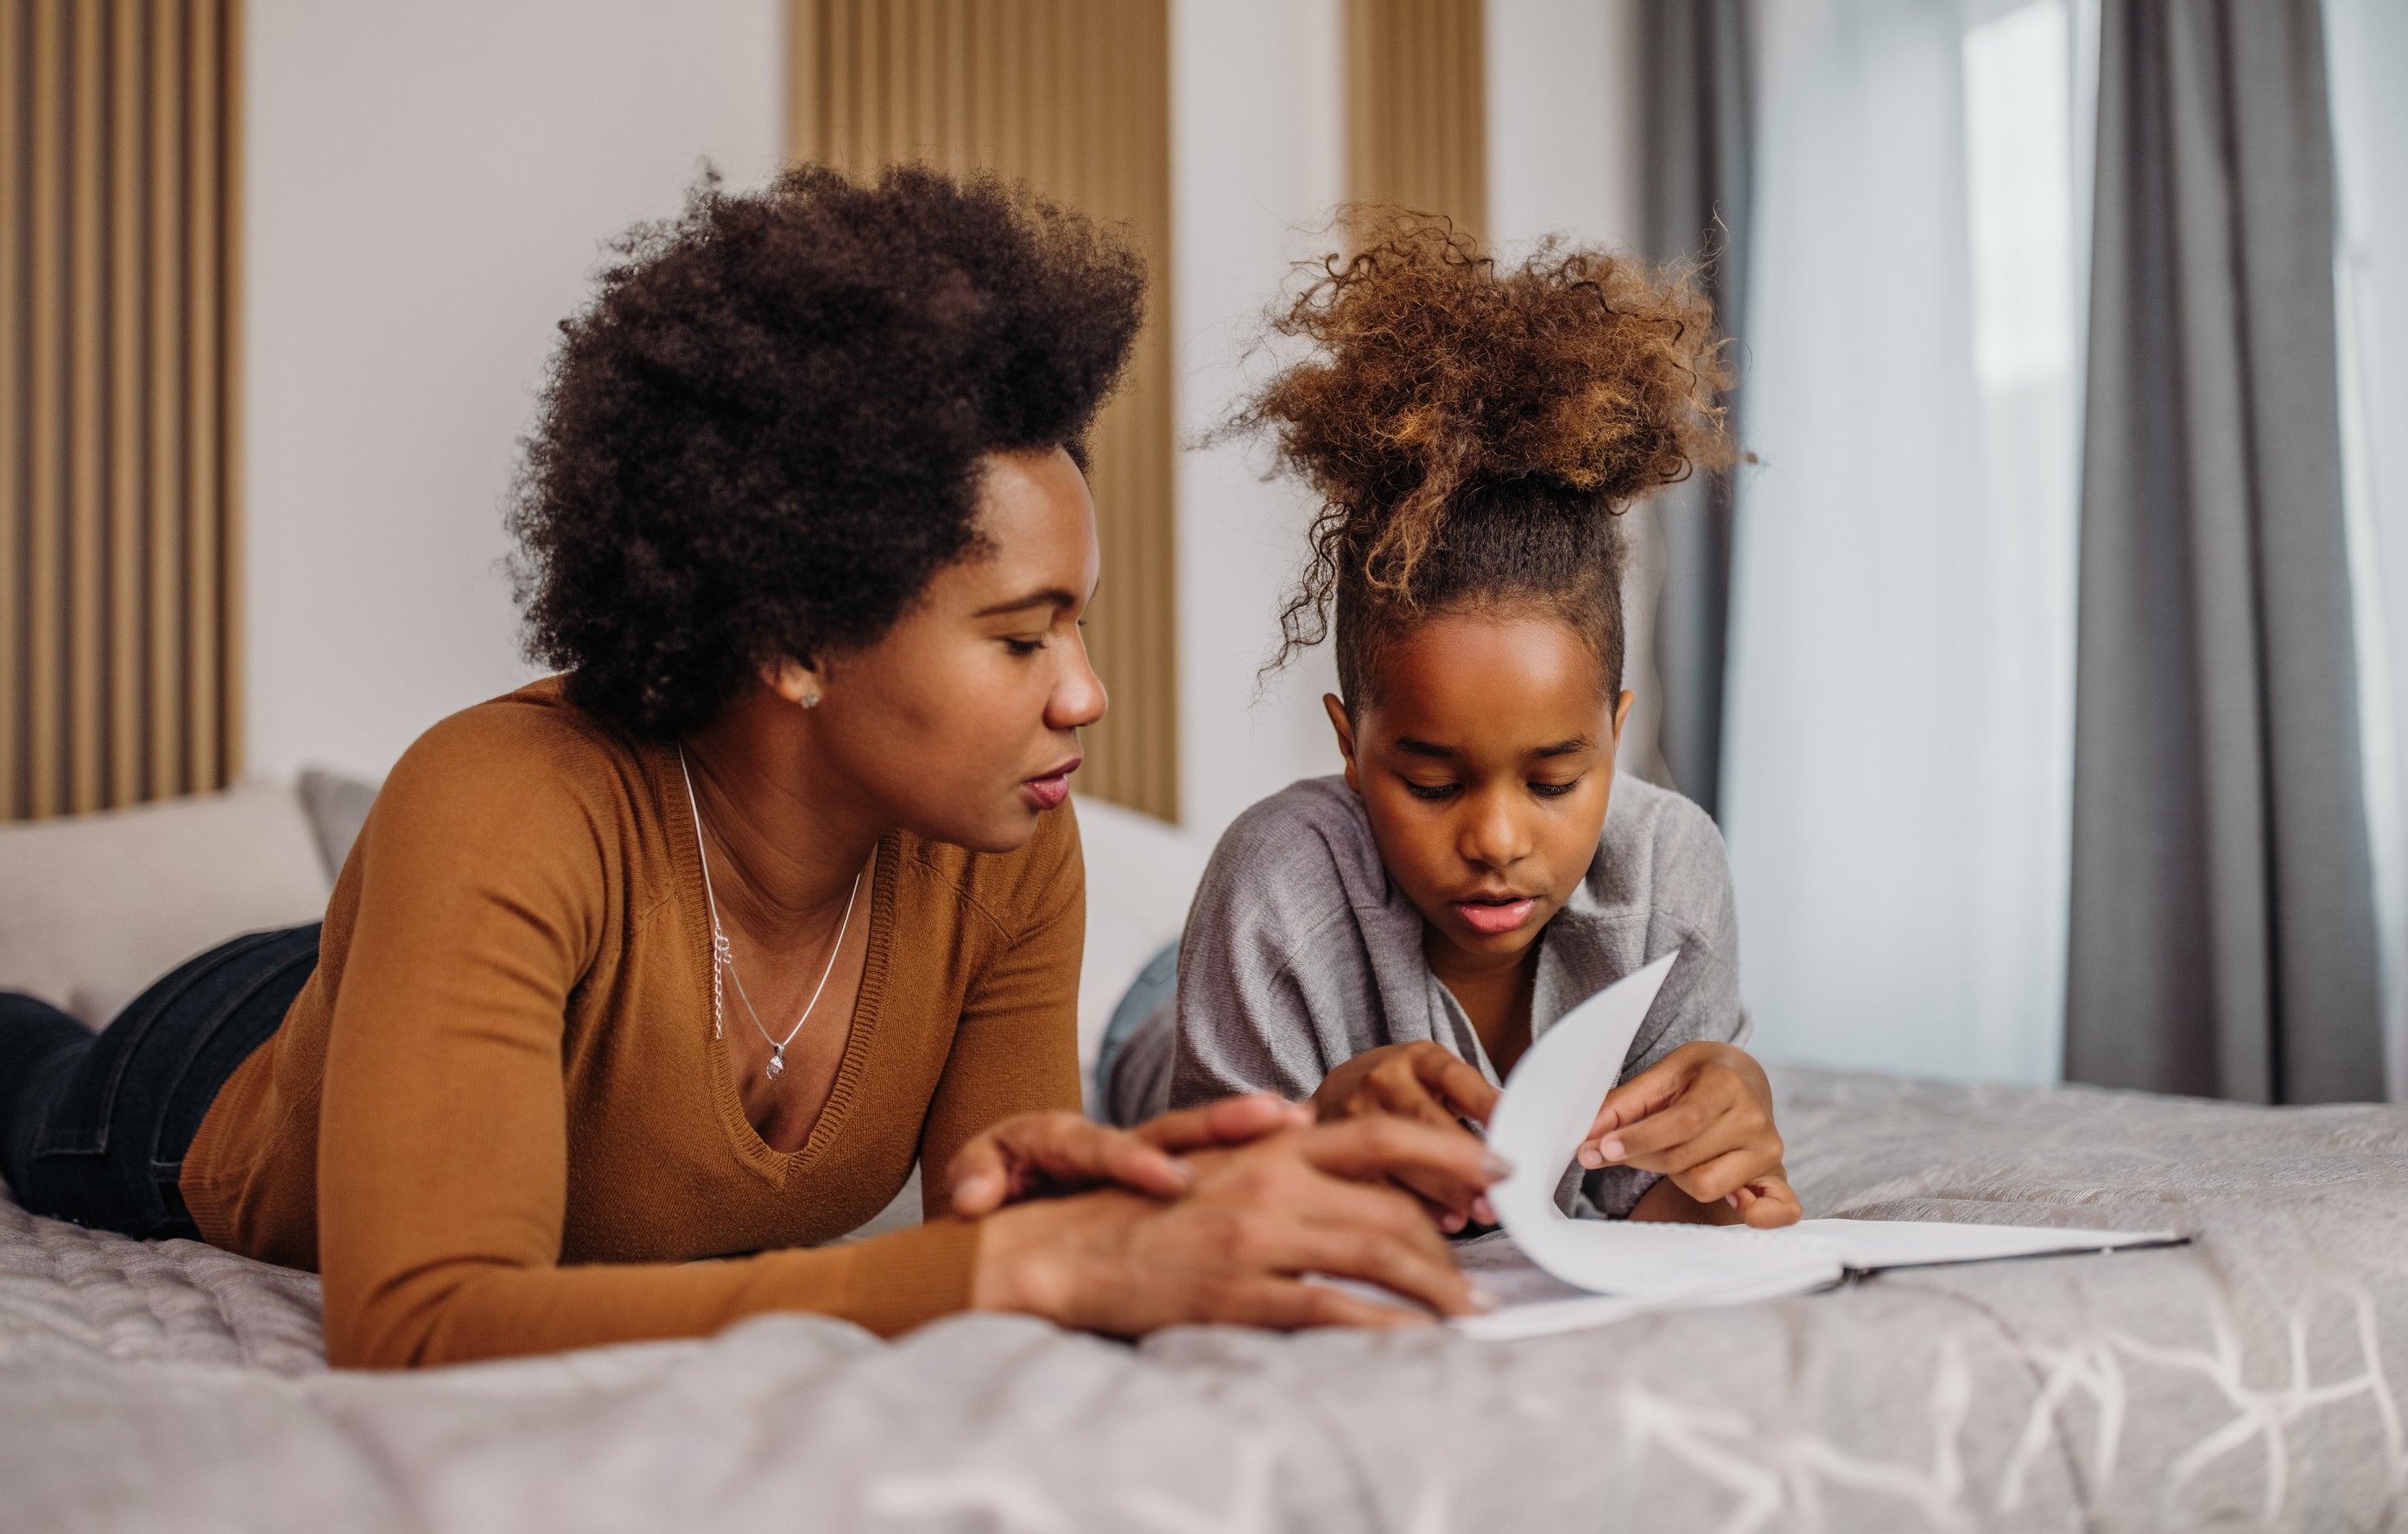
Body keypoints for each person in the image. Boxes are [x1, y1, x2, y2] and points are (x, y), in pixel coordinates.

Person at [0, 168, 1504, 1369]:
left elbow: (1018, 1222)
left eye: (1080, 626)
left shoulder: (1005, 846)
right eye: (1019, 638)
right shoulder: (496, 802)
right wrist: (1017, 1259)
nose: (1085, 695)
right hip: (213, 1071)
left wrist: (1210, 1180)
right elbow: (423, 1321)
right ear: (791, 635)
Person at [1103, 215, 1800, 1230]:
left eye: (1555, 780)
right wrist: (1314, 1136)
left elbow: (1656, 1211)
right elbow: (1206, 1214)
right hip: (1157, 1017)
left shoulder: (1668, 874)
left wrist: (1723, 1176)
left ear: (1615, 732)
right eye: (1432, 783)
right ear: (1349, 743)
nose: (1497, 841)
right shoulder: (1272, 888)